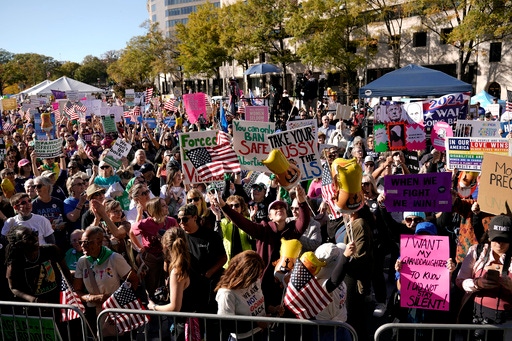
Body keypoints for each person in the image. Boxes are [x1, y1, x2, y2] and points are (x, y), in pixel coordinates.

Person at [209, 185, 310, 309]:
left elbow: (304, 221)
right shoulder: (263, 229)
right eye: (275, 208)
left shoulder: (292, 230)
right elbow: (242, 222)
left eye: (282, 207)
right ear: (270, 216)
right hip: (264, 283)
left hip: (286, 284)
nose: (279, 209)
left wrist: (302, 201)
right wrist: (224, 206)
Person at [73, 226, 139, 337]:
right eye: (81, 242)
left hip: (116, 312)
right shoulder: (82, 261)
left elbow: (134, 280)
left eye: (87, 242)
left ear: (99, 242)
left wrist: (118, 300)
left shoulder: (114, 258)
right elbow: (77, 291)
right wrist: (91, 298)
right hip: (94, 313)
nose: (82, 245)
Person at [456, 215, 512, 340]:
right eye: (496, 238)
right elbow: (460, 281)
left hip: (507, 324)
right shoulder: (477, 251)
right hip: (476, 320)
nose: (499, 243)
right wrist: (477, 283)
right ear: (489, 236)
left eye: (504, 239)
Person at [216, 250, 283, 341]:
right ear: (245, 274)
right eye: (255, 275)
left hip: (262, 333)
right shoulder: (227, 293)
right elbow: (228, 325)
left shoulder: (255, 281)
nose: (258, 278)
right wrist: (256, 323)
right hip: (243, 338)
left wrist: (272, 308)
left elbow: (257, 299)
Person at [5, 225, 70, 304]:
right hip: (35, 308)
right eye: (28, 237)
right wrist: (34, 300)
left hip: (58, 299)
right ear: (19, 244)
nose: (35, 238)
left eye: (35, 233)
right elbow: (13, 288)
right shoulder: (15, 262)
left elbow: (66, 272)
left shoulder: (51, 250)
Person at [131, 197, 178, 297]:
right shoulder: (145, 223)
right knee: (152, 286)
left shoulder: (172, 221)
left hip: (168, 258)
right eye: (163, 205)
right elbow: (131, 232)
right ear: (155, 209)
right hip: (152, 259)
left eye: (166, 204)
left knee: (168, 284)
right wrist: (140, 247)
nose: (167, 207)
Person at [213, 195, 254, 267]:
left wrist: (252, 220)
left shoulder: (247, 220)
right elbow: (218, 237)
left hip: (245, 261)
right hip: (229, 263)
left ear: (242, 207)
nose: (233, 208)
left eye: (236, 205)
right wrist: (218, 217)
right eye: (230, 206)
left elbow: (252, 238)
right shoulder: (223, 222)